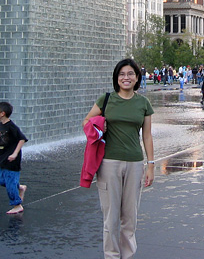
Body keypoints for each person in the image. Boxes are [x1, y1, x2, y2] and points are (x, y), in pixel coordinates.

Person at [82, 58, 155, 259]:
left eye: (130, 73)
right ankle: (111, 256)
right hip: (108, 164)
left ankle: (127, 255)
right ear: (116, 78)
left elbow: (147, 135)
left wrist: (151, 165)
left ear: (137, 77)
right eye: (122, 74)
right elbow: (86, 121)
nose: (126, 77)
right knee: (111, 217)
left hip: (134, 163)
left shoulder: (143, 103)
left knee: (129, 218)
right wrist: (98, 127)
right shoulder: (106, 100)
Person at [0, 101, 28, 215]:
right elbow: (0, 139)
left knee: (10, 182)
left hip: (12, 159)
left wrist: (15, 154)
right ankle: (20, 187)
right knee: (2, 181)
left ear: (2, 113)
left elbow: (22, 139)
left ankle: (17, 205)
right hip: (2, 157)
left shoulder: (12, 126)